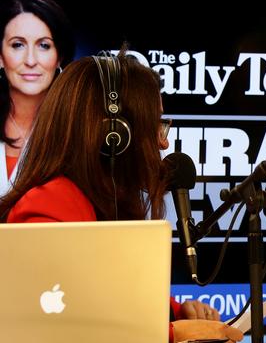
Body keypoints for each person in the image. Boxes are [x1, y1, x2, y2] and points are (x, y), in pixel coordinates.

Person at [0, 49, 243, 343]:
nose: (163, 141)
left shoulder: (106, 203)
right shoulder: (48, 205)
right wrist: (174, 333)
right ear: (114, 135)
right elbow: (70, 324)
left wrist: (180, 312)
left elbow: (117, 302)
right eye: (155, 123)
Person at [0, 0, 74, 195]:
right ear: (0, 56)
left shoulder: (76, 130)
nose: (31, 60)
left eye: (44, 45)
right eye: (17, 45)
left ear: (59, 57)